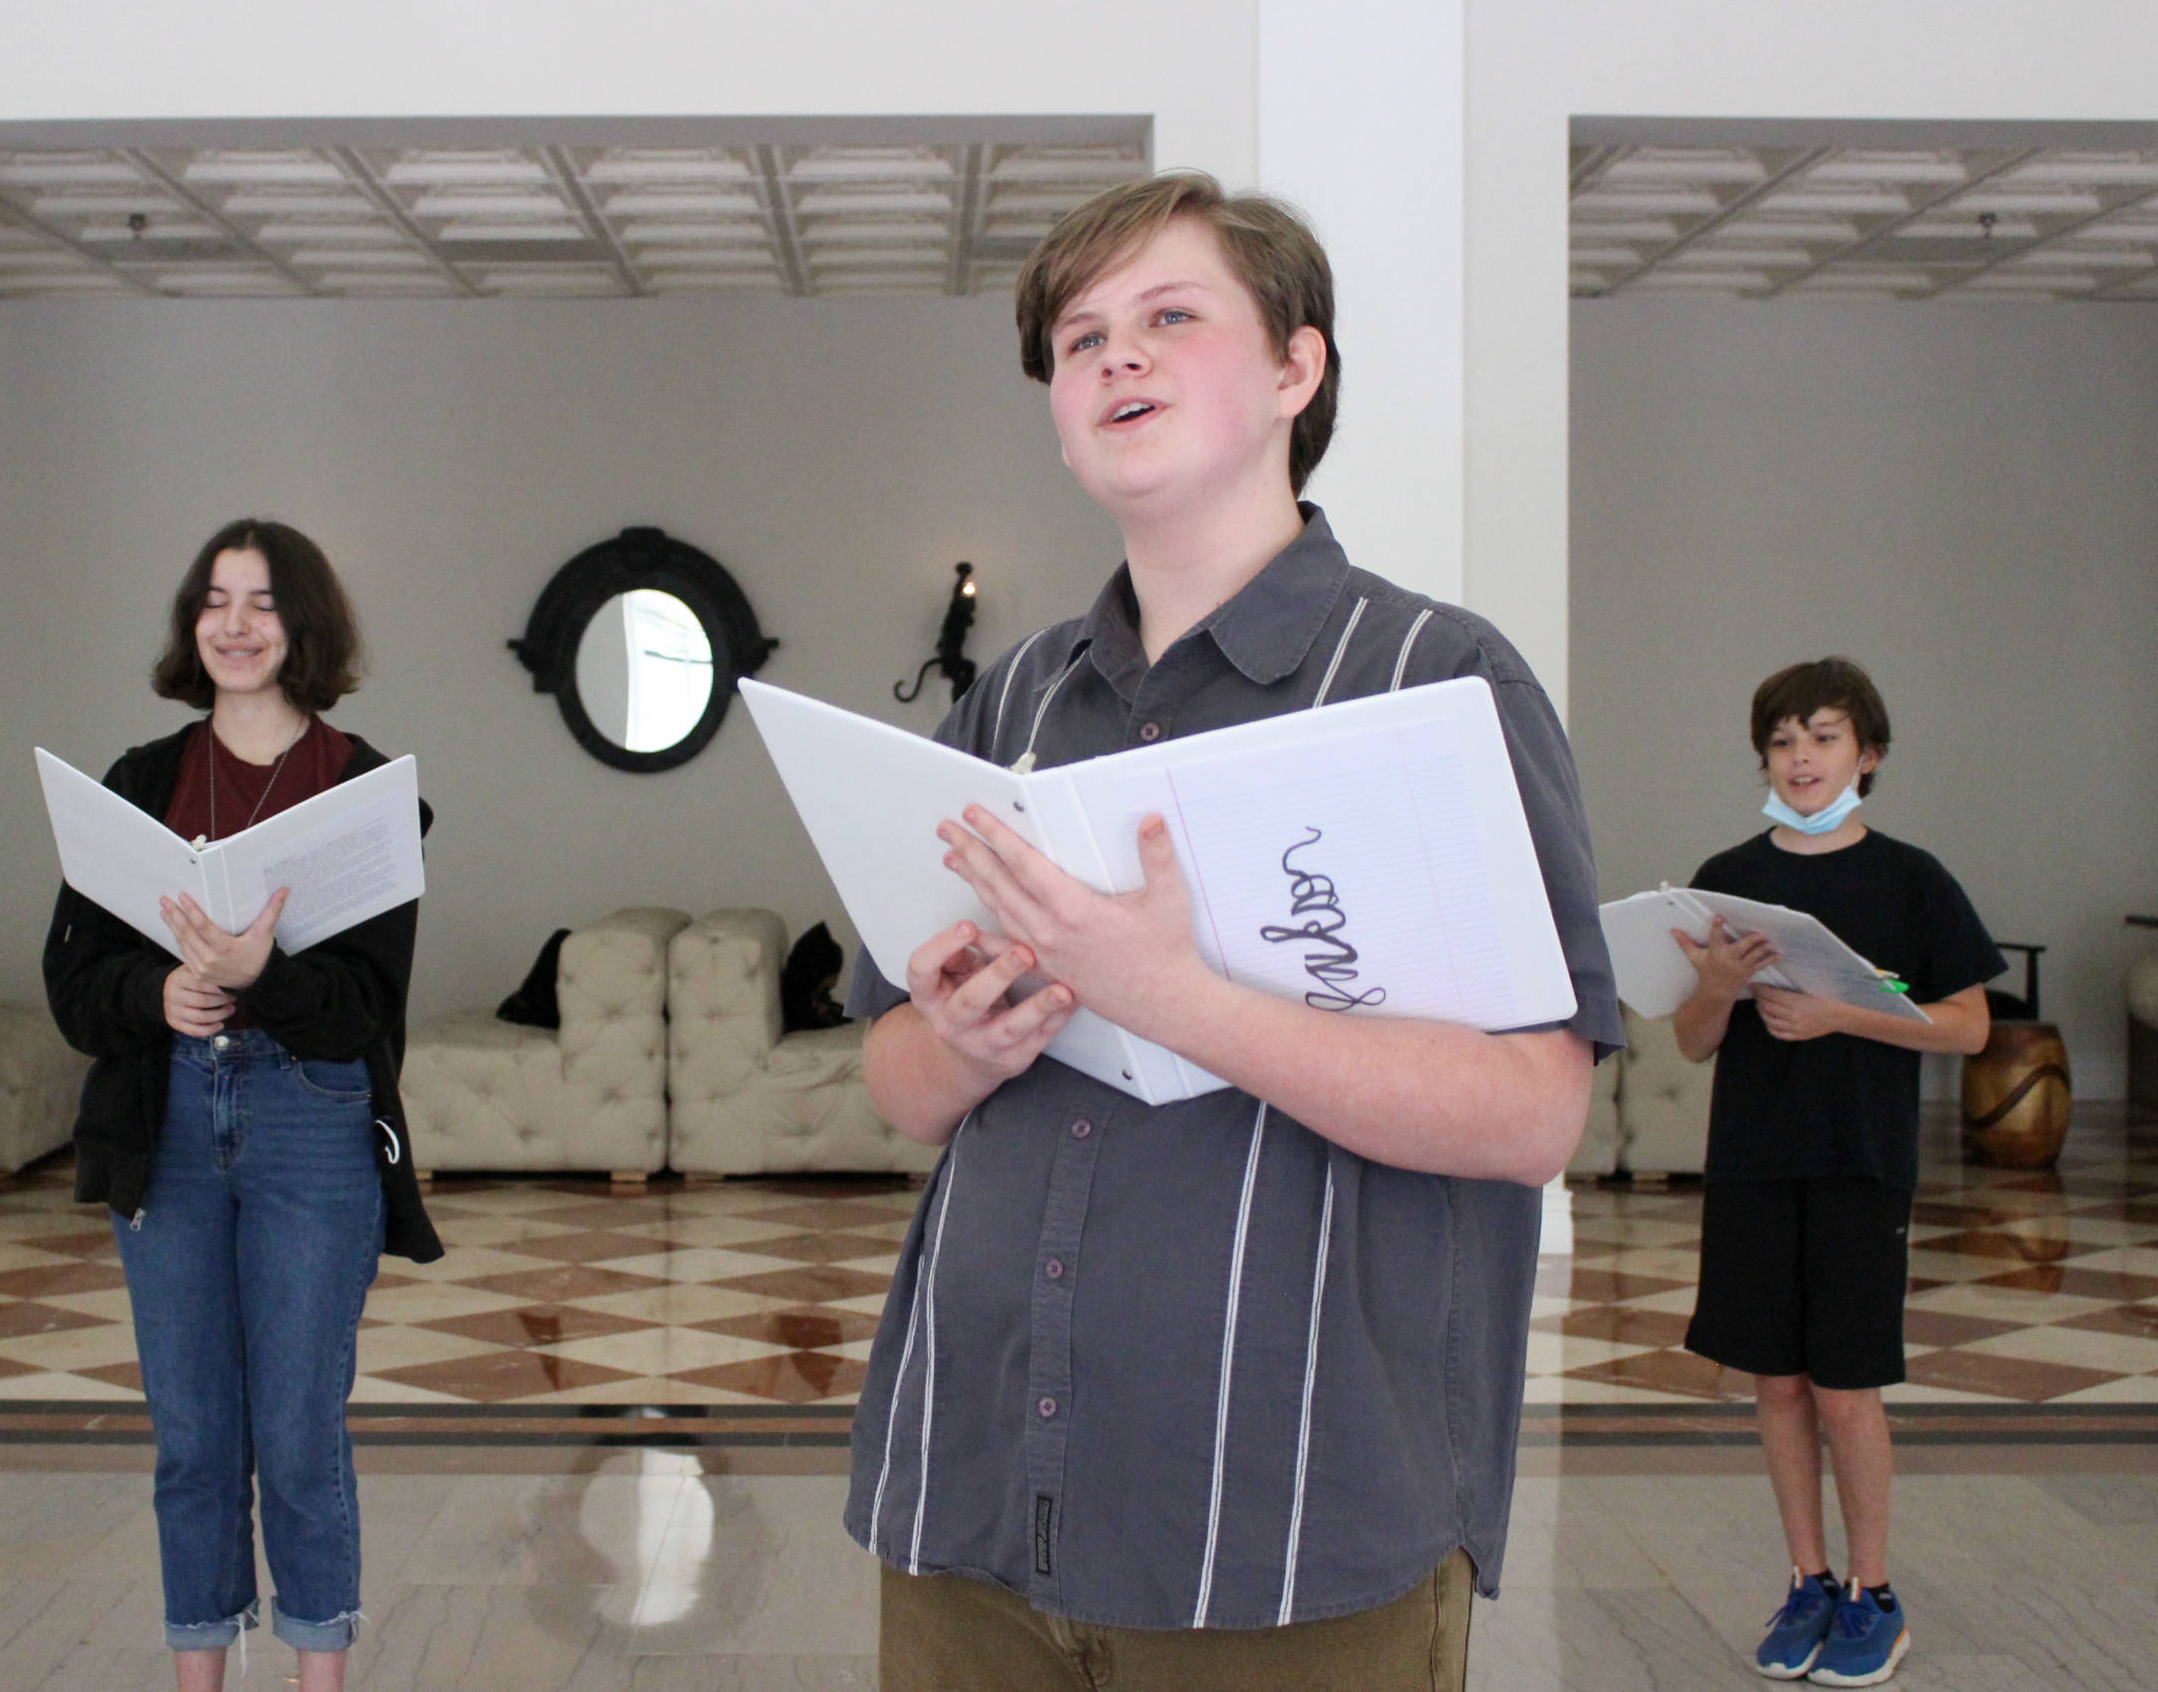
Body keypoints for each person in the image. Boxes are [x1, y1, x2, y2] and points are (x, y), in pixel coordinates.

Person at [843, 172, 1619, 1691]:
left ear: (1294, 369)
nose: (1116, 358)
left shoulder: (1437, 681)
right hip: (973, 1494)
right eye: (1080, 340)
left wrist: (1172, 994)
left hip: (1290, 1528)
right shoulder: (1010, 701)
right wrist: (956, 1038)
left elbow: (1537, 1111)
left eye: (1169, 317)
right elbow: (894, 1080)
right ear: (1059, 415)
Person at [44, 518, 441, 1692]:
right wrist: (160, 991)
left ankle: (319, 1674)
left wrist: (259, 975)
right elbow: (75, 986)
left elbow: (368, 1010)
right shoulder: (137, 782)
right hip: (163, 1118)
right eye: (215, 599)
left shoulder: (366, 789)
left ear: (303, 624)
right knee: (196, 1439)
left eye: (262, 602)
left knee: (299, 1436)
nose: (234, 623)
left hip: (311, 1118)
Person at [1672, 658, 1997, 1687]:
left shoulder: (1911, 880)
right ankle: (1805, 1580)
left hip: (1860, 1166)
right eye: (1781, 740)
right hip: (1752, 1165)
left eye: (1821, 736)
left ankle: (1872, 1594)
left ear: (1868, 754)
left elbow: (1967, 1027)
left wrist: (1841, 1014)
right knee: (1774, 1380)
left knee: (1845, 1387)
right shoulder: (1727, 873)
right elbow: (1689, 1044)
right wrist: (1717, 986)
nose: (1800, 756)